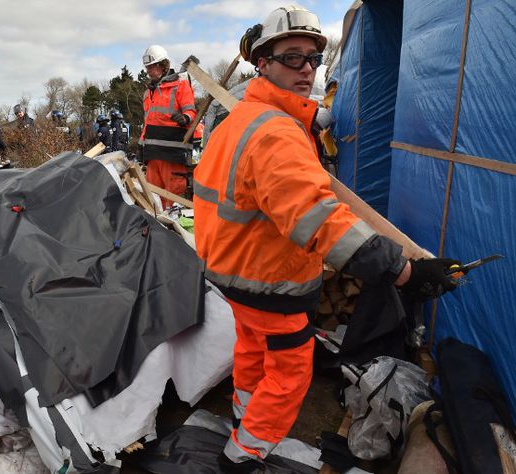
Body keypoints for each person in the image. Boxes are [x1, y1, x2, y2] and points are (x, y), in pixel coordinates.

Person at [192, 6, 461, 471]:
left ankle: (242, 416)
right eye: (292, 58)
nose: (307, 70)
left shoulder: (242, 118)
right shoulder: (275, 133)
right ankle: (244, 454)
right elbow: (318, 219)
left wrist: (313, 120)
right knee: (289, 372)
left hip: (232, 275)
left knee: (252, 351)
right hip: (269, 281)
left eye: (314, 58)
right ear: (264, 62)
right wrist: (404, 270)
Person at [139, 44, 197, 207]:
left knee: (173, 201)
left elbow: (191, 111)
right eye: (147, 67)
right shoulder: (147, 93)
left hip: (173, 155)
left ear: (163, 66)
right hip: (153, 155)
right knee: (154, 201)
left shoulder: (180, 85)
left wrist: (185, 118)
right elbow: (147, 123)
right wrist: (141, 145)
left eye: (152, 66)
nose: (149, 71)